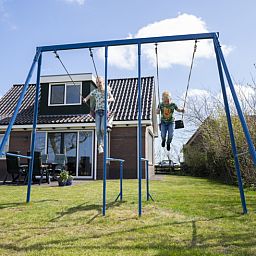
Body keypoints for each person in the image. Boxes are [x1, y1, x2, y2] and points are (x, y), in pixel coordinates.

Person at [83, 76, 114, 154]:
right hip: (97, 111)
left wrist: (107, 100)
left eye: (100, 82)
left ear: (103, 82)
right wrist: (85, 99)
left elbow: (112, 99)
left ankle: (103, 142)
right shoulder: (95, 91)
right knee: (97, 129)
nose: (98, 84)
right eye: (97, 82)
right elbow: (88, 96)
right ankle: (100, 145)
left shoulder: (107, 90)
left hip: (105, 111)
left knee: (103, 129)